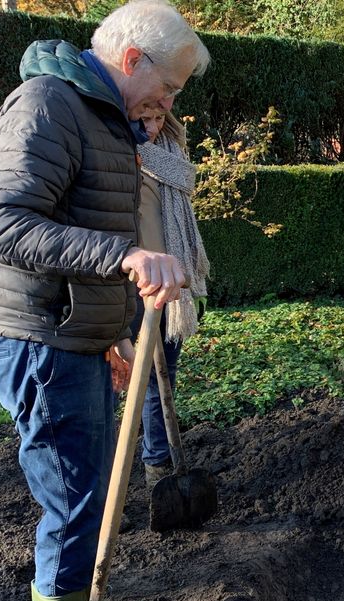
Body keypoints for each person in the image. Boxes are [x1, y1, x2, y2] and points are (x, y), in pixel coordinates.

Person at [0, 1, 209, 601]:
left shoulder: (102, 116)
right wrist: (125, 257)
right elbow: (3, 224)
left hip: (75, 334)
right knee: (73, 495)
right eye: (168, 86)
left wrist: (110, 332)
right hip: (40, 340)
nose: (169, 102)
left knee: (96, 486)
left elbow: (91, 219)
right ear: (132, 60)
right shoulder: (48, 105)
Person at [132, 108, 211, 489]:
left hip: (170, 287)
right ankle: (107, 475)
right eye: (144, 118)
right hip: (127, 284)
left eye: (160, 117)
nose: (152, 127)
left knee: (161, 378)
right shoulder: (114, 153)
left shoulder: (170, 152)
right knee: (114, 381)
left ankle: (158, 466)